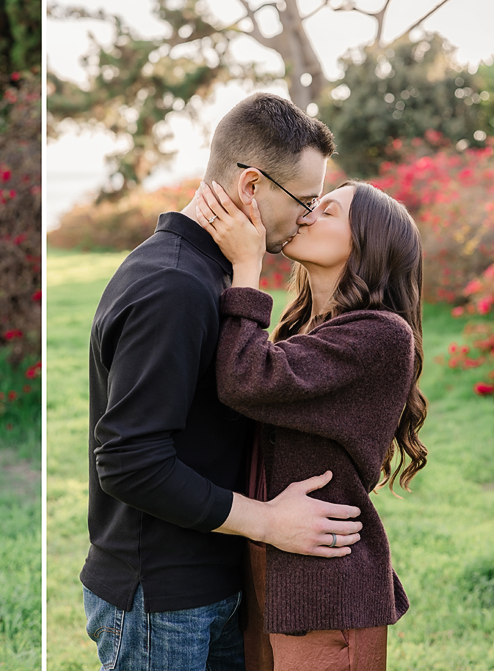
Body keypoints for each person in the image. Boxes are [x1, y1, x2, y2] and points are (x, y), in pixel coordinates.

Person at [83, 92, 364, 670]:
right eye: (305, 201)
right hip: (160, 598)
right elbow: (128, 460)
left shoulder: (214, 277)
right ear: (252, 187)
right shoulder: (175, 286)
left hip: (207, 580)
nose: (309, 216)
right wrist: (268, 522)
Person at [193, 179, 427, 671]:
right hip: (273, 569)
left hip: (326, 588)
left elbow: (245, 379)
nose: (305, 215)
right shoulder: (303, 326)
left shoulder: (382, 335)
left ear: (367, 241)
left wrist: (246, 267)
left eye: (328, 212)